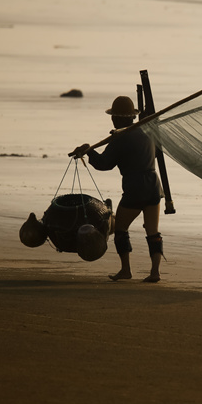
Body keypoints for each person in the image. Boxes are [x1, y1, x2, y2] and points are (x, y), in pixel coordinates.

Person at [71, 95, 165, 283]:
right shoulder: (148, 131)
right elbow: (157, 152)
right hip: (154, 186)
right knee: (153, 232)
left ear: (116, 118)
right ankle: (155, 272)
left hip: (135, 188)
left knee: (120, 229)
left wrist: (89, 151)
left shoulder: (120, 137)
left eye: (113, 116)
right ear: (132, 116)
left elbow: (104, 164)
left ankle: (125, 270)